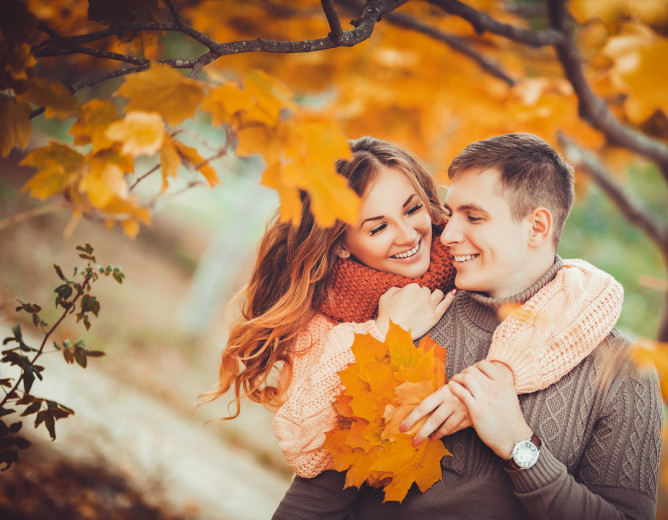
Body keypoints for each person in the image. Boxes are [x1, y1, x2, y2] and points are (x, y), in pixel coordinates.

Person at [272, 133, 663, 520]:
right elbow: (317, 500)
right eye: (450, 212)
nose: (449, 233)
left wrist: (519, 447)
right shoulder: (415, 321)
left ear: (537, 228)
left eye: (473, 217)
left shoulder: (625, 374)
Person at [202, 137, 623, 483]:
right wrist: (384, 331)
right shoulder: (326, 320)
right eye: (378, 226)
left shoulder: (463, 258)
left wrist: (501, 375)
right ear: (341, 243)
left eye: (412, 209)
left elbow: (592, 289)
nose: (409, 235)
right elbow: (304, 451)